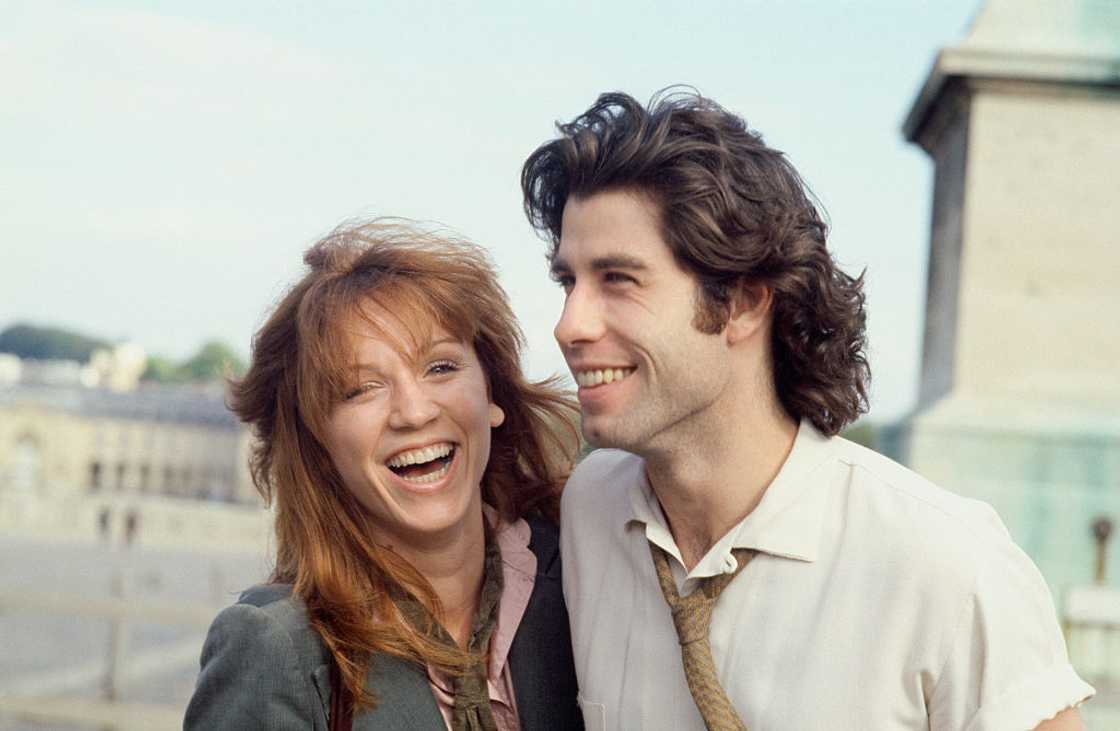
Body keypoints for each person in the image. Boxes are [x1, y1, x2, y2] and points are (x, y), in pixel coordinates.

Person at [520, 90, 1094, 730]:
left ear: (742, 303)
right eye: (569, 281)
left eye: (618, 280)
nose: (570, 324)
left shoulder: (946, 566)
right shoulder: (589, 509)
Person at [185, 220, 584, 730]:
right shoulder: (277, 649)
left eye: (440, 367)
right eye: (361, 389)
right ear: (318, 444)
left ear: (493, 395)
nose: (414, 413)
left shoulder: (583, 576)